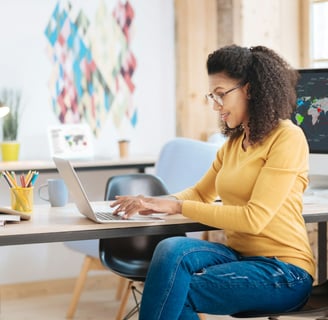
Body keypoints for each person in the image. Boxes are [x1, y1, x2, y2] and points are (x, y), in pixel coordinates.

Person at [111, 44, 315, 319]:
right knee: (172, 248)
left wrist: (176, 208)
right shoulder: (231, 146)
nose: (216, 106)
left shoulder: (286, 137)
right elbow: (199, 193)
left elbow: (254, 219)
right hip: (239, 256)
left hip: (283, 271)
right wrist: (153, 203)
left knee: (171, 291)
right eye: (212, 96)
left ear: (251, 90)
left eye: (221, 95)